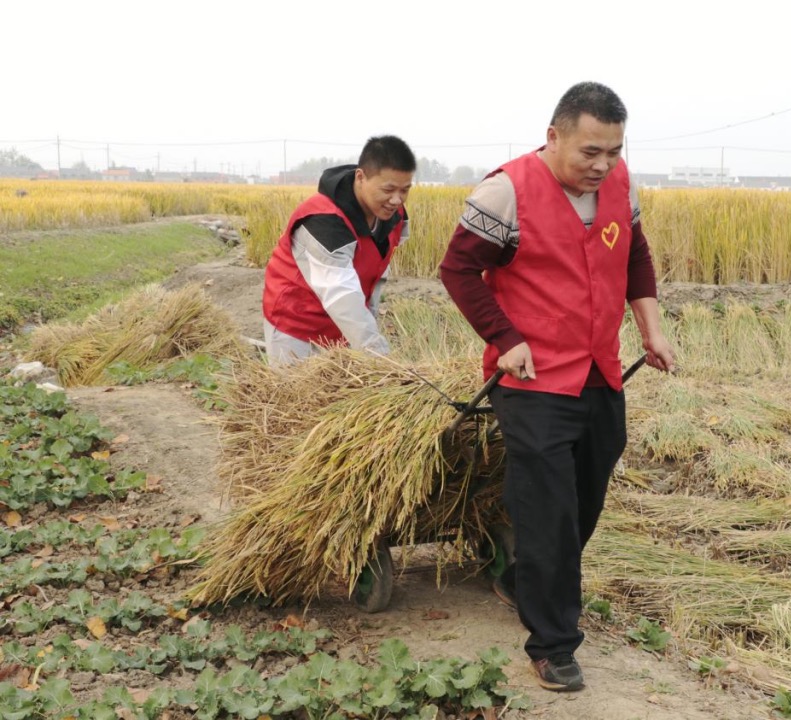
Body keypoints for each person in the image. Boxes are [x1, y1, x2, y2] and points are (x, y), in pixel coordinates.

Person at [439, 82, 675, 692]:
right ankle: (553, 643)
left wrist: (652, 329)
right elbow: (458, 269)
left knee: (586, 494)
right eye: (590, 152)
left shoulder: (621, 188)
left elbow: (636, 259)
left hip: (598, 368)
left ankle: (523, 578)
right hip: (531, 375)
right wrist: (505, 336)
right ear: (554, 136)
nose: (602, 166)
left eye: (614, 152)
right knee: (549, 508)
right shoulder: (506, 191)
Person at [262, 135, 415, 366]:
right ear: (361, 177)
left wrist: (368, 326)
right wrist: (380, 357)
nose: (396, 200)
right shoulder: (324, 220)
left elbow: (378, 271)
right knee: (297, 399)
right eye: (388, 189)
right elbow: (341, 293)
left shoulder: (392, 214)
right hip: (296, 327)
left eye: (405, 190)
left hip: (344, 328)